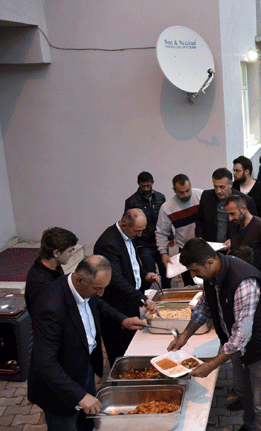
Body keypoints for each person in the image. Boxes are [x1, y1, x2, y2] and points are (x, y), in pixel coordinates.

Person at [169, 238, 261, 431]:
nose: (192, 275)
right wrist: (184, 336)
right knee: (243, 390)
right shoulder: (211, 276)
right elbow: (204, 307)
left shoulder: (243, 281)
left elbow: (241, 336)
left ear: (209, 262)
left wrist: (211, 365)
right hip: (238, 344)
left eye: (194, 270)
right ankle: (250, 426)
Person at [28, 255, 147, 431]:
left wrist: (122, 320)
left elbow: (98, 303)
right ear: (79, 280)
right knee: (67, 425)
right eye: (98, 288)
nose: (101, 293)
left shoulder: (84, 288)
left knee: (87, 422)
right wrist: (80, 396)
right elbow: (45, 363)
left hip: (83, 368)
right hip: (59, 387)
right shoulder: (50, 307)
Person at [93, 208, 159, 365]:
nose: (140, 235)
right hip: (116, 305)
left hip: (129, 301)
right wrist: (142, 299)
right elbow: (116, 279)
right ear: (124, 225)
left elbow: (132, 264)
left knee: (133, 346)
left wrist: (144, 274)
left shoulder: (128, 235)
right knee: (121, 353)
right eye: (137, 231)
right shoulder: (108, 243)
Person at [156, 174, 203, 288]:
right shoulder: (167, 207)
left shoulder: (201, 196)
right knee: (190, 285)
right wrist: (163, 253)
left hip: (204, 246)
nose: (185, 195)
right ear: (174, 190)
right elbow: (162, 232)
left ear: (191, 185)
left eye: (187, 190)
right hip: (185, 248)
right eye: (181, 192)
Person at [124, 171, 169, 287]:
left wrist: (171, 235)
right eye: (143, 186)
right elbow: (127, 222)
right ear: (138, 184)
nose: (145, 188)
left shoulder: (160, 197)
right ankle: (148, 297)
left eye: (148, 186)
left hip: (160, 240)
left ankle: (168, 295)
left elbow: (166, 218)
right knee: (149, 273)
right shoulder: (131, 201)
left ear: (152, 183)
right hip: (143, 243)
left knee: (167, 272)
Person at [225, 194, 261, 286]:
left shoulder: (260, 226)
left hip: (259, 281)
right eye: (228, 215)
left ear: (243, 208)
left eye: (232, 214)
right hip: (241, 280)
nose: (230, 218)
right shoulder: (234, 224)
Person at [25, 227, 78, 314]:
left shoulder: (55, 266)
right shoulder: (40, 283)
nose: (72, 254)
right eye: (69, 251)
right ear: (56, 253)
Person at [195, 168, 257, 244]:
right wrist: (199, 238)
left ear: (231, 184)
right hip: (212, 248)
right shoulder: (206, 196)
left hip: (235, 248)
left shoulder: (245, 201)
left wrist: (234, 241)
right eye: (215, 187)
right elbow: (200, 221)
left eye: (222, 187)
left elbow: (251, 228)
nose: (218, 191)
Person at [233, 156, 261, 224]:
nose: (234, 173)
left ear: (247, 171)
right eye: (234, 170)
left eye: (237, 171)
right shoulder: (233, 188)